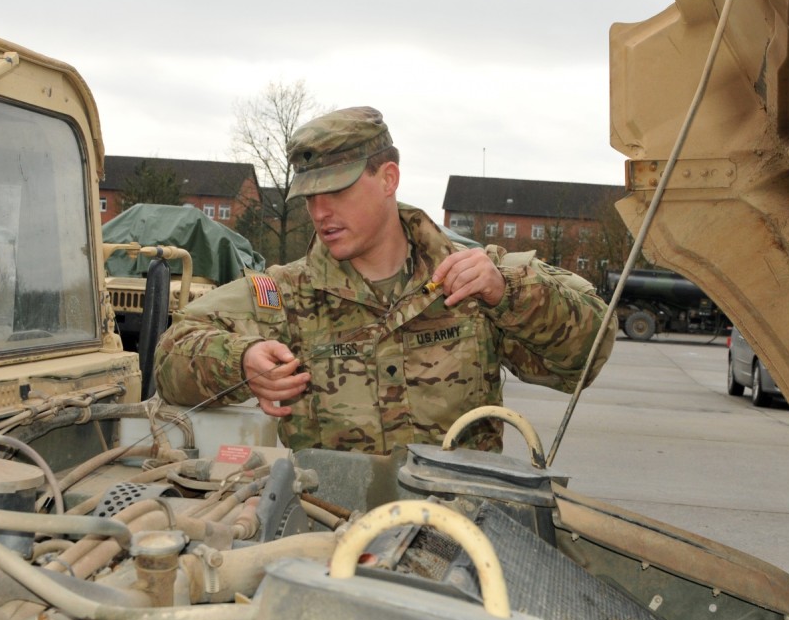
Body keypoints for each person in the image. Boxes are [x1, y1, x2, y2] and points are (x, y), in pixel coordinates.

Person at [154, 106, 615, 453]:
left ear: (388, 178)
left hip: (461, 536)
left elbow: (587, 355)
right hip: (332, 544)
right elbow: (170, 359)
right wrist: (241, 359)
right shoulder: (285, 296)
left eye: (336, 191)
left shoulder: (477, 280)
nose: (320, 213)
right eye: (310, 198)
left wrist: (508, 295)